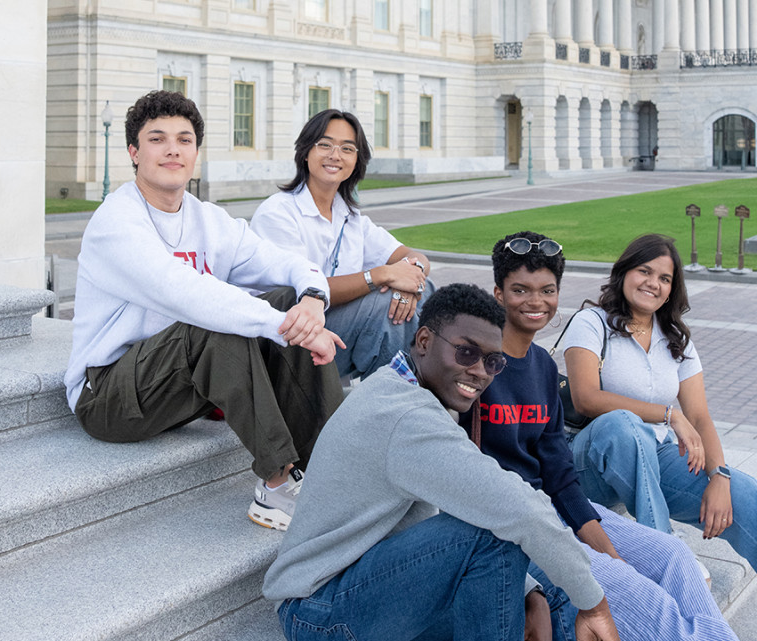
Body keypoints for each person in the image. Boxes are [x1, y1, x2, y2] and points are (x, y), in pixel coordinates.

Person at [263, 283, 620, 641]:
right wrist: (594, 604)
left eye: (493, 361)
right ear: (423, 341)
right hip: (318, 612)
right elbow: (519, 509)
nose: (480, 371)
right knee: (499, 534)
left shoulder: (404, 389)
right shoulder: (405, 418)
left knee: (546, 592)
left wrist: (530, 592)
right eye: (466, 352)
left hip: (369, 584)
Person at [561, 234, 757, 641]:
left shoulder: (674, 338)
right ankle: (669, 556)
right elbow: (586, 398)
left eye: (665, 278)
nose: (653, 283)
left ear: (674, 288)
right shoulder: (592, 322)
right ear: (624, 273)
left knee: (747, 494)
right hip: (585, 465)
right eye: (644, 271)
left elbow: (701, 417)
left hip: (650, 460)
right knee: (623, 426)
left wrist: (720, 476)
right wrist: (669, 415)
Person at [64, 90, 345, 532]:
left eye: (185, 139)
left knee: (286, 302)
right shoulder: (115, 223)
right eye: (157, 139)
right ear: (134, 153)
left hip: (174, 384)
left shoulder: (207, 218)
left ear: (196, 151)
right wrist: (289, 329)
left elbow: (282, 260)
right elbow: (187, 295)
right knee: (215, 320)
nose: (173, 149)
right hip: (109, 394)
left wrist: (311, 297)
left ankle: (330, 470)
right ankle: (275, 487)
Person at [455, 231, 738, 641]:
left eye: (547, 290)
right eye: (520, 290)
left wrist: (608, 548)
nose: (536, 302)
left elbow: (558, 473)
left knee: (674, 556)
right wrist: (609, 564)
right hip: (508, 527)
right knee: (641, 597)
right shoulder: (475, 364)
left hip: (554, 507)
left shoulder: (543, 368)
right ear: (498, 293)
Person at [250, 109, 432, 380]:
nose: (335, 155)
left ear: (357, 160)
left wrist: (411, 282)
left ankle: (407, 391)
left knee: (423, 291)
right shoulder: (277, 214)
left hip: (334, 332)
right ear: (305, 152)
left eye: (347, 148)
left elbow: (413, 256)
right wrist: (382, 275)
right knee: (386, 307)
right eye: (324, 145)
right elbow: (302, 294)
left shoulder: (350, 216)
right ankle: (392, 399)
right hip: (286, 341)